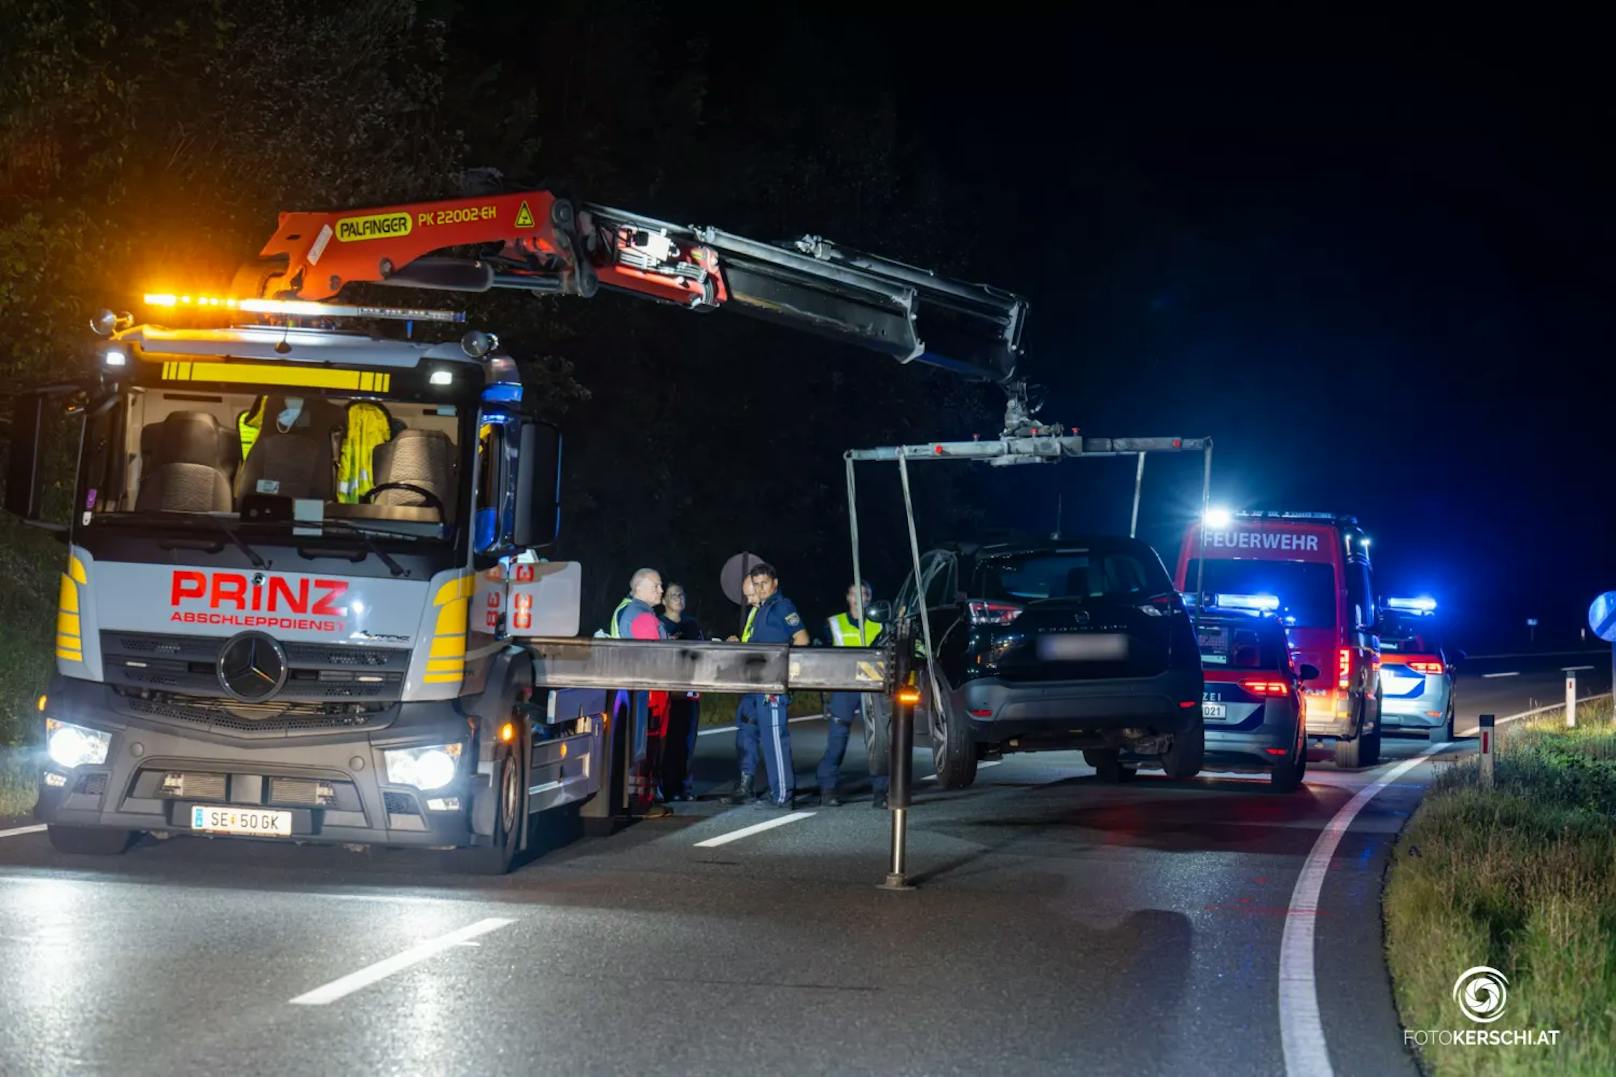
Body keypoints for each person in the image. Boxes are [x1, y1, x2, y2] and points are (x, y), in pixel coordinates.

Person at [724, 563, 808, 809]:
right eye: (757, 584)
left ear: (775, 584)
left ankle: (782, 794)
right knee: (764, 738)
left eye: (764, 584)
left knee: (774, 740)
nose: (760, 589)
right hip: (758, 685)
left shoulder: (782, 606)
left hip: (772, 685)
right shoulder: (762, 610)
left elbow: (802, 640)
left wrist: (788, 675)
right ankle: (777, 791)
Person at [609, 568, 672, 819]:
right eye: (656, 586)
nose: (661, 590)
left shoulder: (628, 611)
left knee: (641, 745)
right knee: (648, 746)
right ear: (640, 589)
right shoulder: (643, 617)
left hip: (636, 690)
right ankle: (642, 801)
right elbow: (655, 658)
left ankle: (638, 799)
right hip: (650, 693)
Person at [815, 581, 884, 807]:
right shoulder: (833, 624)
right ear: (848, 597)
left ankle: (882, 791)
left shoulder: (880, 625)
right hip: (843, 686)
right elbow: (822, 654)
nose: (858, 599)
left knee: (878, 741)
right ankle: (828, 789)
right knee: (837, 740)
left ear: (868, 599)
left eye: (863, 594)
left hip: (871, 687)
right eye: (854, 594)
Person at [657, 582, 703, 801]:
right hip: (669, 693)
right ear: (664, 600)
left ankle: (685, 787)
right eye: (674, 595)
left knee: (688, 741)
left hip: (691, 690)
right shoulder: (659, 625)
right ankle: (668, 787)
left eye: (682, 594)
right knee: (670, 741)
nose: (679, 599)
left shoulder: (692, 625)